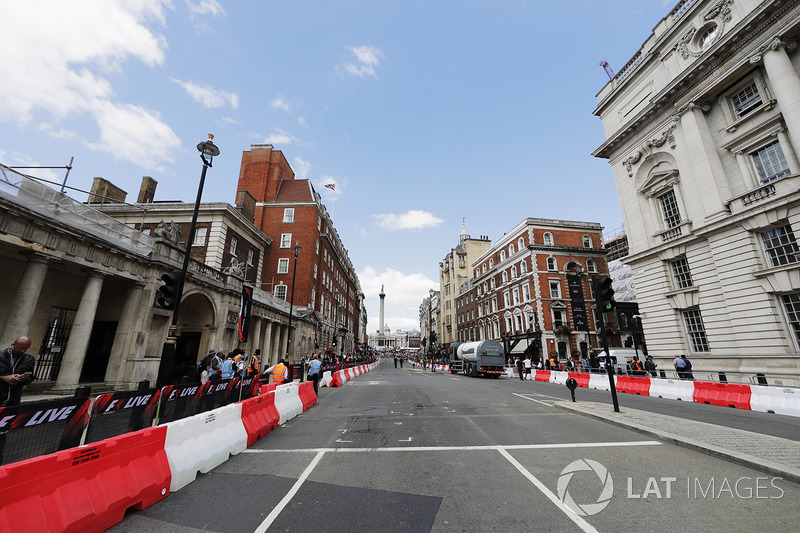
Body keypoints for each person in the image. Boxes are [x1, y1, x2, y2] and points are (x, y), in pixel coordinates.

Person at [0, 337, 35, 406]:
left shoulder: (29, 359)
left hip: (14, 398)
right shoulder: (1, 355)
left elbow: (31, 377)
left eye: (26, 349)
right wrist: (3, 378)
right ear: (12, 345)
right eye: (20, 348)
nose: (22, 351)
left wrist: (24, 379)